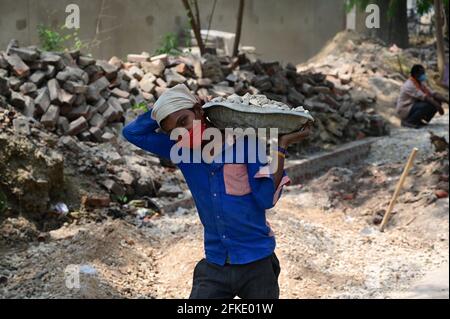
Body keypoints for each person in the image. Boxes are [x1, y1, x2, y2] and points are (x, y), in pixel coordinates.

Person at [123, 84, 311, 299]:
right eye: (173, 130)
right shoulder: (181, 151)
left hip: (257, 263)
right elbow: (132, 132)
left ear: (198, 111)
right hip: (216, 263)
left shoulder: (246, 144)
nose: (182, 131)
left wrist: (281, 145)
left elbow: (266, 199)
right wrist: (160, 110)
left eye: (184, 121)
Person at [396, 64, 448, 129]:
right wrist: (438, 106)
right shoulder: (409, 85)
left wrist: (447, 101)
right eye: (422, 73)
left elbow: (433, 93)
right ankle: (409, 122)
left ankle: (418, 120)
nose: (424, 75)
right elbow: (425, 97)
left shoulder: (420, 83)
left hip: (413, 106)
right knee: (429, 104)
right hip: (405, 109)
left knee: (437, 100)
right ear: (416, 74)